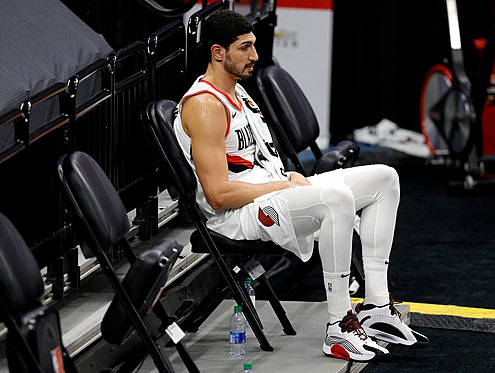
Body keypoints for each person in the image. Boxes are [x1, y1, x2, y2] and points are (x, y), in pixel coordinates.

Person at [173, 9, 428, 362]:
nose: (255, 56)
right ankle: (339, 325)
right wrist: (282, 186)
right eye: (245, 48)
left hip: (274, 195)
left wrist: (285, 183)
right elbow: (218, 196)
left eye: (254, 46)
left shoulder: (239, 93)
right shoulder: (204, 106)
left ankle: (376, 307)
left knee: (385, 177)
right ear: (218, 52)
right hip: (240, 214)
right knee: (335, 198)